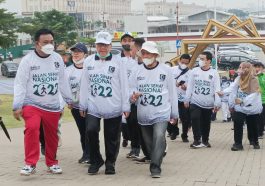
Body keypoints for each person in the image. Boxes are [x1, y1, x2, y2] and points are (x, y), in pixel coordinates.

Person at [13, 28, 73, 176]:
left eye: (51, 42)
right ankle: (30, 164)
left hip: (52, 105)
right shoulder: (27, 61)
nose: (49, 45)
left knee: (52, 135)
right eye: (45, 42)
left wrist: (69, 99)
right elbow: (20, 83)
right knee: (32, 128)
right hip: (31, 103)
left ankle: (52, 162)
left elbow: (63, 81)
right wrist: (17, 105)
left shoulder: (57, 59)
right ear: (37, 44)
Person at [79, 31, 130, 175]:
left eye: (106, 45)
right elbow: (84, 84)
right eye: (100, 44)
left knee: (112, 136)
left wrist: (125, 105)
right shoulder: (88, 61)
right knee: (91, 130)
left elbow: (124, 85)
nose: (102, 48)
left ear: (110, 46)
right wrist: (82, 104)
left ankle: (110, 162)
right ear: (96, 45)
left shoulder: (119, 62)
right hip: (93, 104)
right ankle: (96, 160)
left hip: (113, 105)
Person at [130, 41, 178, 178]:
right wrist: (133, 95)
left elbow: (172, 93)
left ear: (155, 55)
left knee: (159, 136)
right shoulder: (136, 70)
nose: (145, 55)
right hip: (144, 113)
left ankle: (155, 167)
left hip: (161, 112)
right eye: (143, 53)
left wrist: (174, 113)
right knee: (149, 143)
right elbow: (130, 88)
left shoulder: (166, 70)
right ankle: (157, 154)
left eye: (148, 53)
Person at [185, 51, 221, 148]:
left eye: (202, 59)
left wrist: (217, 103)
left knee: (206, 122)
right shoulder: (194, 71)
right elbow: (190, 87)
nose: (200, 61)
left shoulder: (214, 73)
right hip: (195, 101)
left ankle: (205, 140)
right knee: (195, 118)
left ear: (209, 61)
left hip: (208, 102)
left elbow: (217, 89)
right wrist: (186, 99)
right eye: (199, 59)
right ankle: (197, 140)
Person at [65, 43, 90, 164]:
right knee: (82, 130)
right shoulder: (68, 71)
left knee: (90, 130)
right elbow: (65, 88)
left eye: (79, 51)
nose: (76, 54)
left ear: (85, 54)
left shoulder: (90, 68)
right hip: (75, 107)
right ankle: (86, 153)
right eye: (74, 51)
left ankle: (90, 154)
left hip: (91, 106)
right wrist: (68, 101)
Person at [228, 62, 262, 151]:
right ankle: (238, 144)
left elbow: (254, 94)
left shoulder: (254, 79)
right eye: (239, 67)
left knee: (252, 124)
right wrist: (230, 103)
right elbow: (232, 90)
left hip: (251, 106)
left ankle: (254, 141)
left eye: (242, 67)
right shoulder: (238, 79)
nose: (240, 69)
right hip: (239, 107)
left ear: (248, 69)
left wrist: (243, 101)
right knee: (237, 123)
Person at [172, 54, 192, 142]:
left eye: (186, 63)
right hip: (173, 97)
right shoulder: (172, 70)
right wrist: (175, 83)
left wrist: (186, 86)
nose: (184, 64)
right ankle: (174, 131)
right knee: (172, 115)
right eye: (182, 62)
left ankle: (184, 135)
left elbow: (192, 85)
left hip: (184, 98)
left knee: (185, 118)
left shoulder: (190, 72)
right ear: (179, 61)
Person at [254, 62, 265, 139]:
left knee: (261, 117)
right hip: (256, 100)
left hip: (263, 100)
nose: (257, 69)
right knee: (258, 117)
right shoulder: (253, 76)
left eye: (259, 67)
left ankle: (260, 133)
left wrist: (260, 76)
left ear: (262, 68)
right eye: (256, 67)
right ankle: (258, 132)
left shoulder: (263, 76)